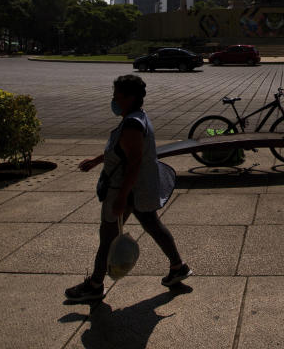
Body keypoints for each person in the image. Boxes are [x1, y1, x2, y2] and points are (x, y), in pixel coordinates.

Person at [65, 74, 192, 302]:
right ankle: (178, 266)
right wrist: (97, 160)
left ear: (131, 98)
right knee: (152, 224)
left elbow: (133, 163)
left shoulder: (133, 124)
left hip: (127, 189)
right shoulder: (136, 118)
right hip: (137, 189)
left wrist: (122, 197)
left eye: (118, 96)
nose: (114, 100)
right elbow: (122, 152)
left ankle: (94, 284)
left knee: (108, 235)